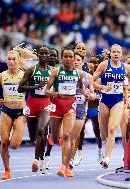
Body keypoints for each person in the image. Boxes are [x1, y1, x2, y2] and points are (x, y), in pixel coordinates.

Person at [45, 45, 89, 177]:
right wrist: (54, 93)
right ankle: (52, 136)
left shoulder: (78, 73)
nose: (69, 59)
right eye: (66, 56)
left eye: (71, 57)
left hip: (70, 106)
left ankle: (64, 166)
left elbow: (81, 87)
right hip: (56, 105)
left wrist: (85, 94)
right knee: (55, 137)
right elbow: (46, 91)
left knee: (67, 136)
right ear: (62, 58)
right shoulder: (56, 72)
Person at [93, 44, 130, 169]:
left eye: (118, 52)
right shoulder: (104, 65)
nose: (116, 54)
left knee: (112, 129)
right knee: (104, 133)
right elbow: (92, 80)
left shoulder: (125, 67)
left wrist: (129, 86)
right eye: (114, 52)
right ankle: (105, 143)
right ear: (110, 53)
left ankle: (106, 158)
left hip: (118, 101)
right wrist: (101, 87)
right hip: (105, 100)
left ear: (121, 54)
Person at [0, 50, 26, 180]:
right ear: (6, 61)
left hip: (20, 112)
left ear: (18, 60)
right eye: (9, 59)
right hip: (6, 111)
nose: (11, 61)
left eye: (14, 59)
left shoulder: (25, 75)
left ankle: (9, 152)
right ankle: (7, 170)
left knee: (14, 145)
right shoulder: (1, 76)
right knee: (4, 142)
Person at [18, 46, 52, 173]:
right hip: (32, 103)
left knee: (42, 130)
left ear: (48, 56)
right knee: (34, 137)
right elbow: (20, 88)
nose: (44, 55)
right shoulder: (31, 70)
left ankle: (37, 160)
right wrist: (35, 86)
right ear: (38, 55)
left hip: (46, 104)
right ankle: (40, 156)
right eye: (41, 53)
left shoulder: (53, 71)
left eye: (46, 53)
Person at [69, 53, 95, 169]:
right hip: (67, 108)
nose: (75, 62)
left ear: (82, 62)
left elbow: (93, 94)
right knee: (66, 135)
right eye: (74, 59)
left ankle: (70, 159)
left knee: (74, 136)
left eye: (78, 60)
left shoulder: (88, 77)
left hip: (80, 109)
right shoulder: (65, 74)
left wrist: (90, 95)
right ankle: (68, 158)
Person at [44, 47, 59, 170]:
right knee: (41, 132)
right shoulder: (39, 69)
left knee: (51, 132)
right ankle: (42, 155)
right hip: (40, 102)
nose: (52, 57)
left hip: (54, 103)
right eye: (51, 55)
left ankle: (47, 156)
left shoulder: (59, 71)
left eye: (55, 56)